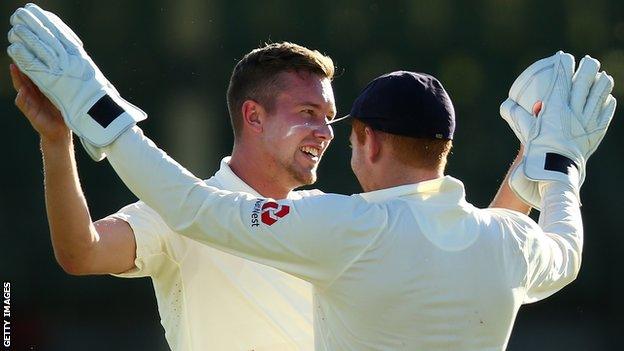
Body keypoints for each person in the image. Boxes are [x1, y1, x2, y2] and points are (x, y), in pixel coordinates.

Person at [17, 4, 612, 351]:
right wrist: (57, 142)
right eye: (308, 115)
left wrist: (96, 110)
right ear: (253, 116)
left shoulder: (341, 217)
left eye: (332, 118)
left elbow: (463, 245)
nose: (326, 132)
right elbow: (82, 252)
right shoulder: (181, 212)